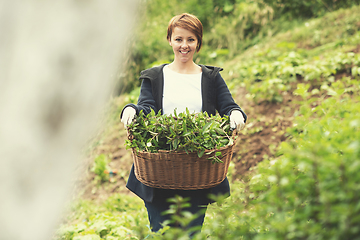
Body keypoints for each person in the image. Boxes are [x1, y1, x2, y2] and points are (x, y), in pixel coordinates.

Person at [120, 13, 247, 236]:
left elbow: (228, 105)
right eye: (179, 39)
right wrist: (132, 109)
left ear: (198, 42)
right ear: (169, 40)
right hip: (160, 173)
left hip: (196, 171)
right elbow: (146, 107)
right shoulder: (155, 76)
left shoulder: (210, 78)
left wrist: (236, 114)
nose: (184, 45)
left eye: (190, 39)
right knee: (162, 233)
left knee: (190, 234)